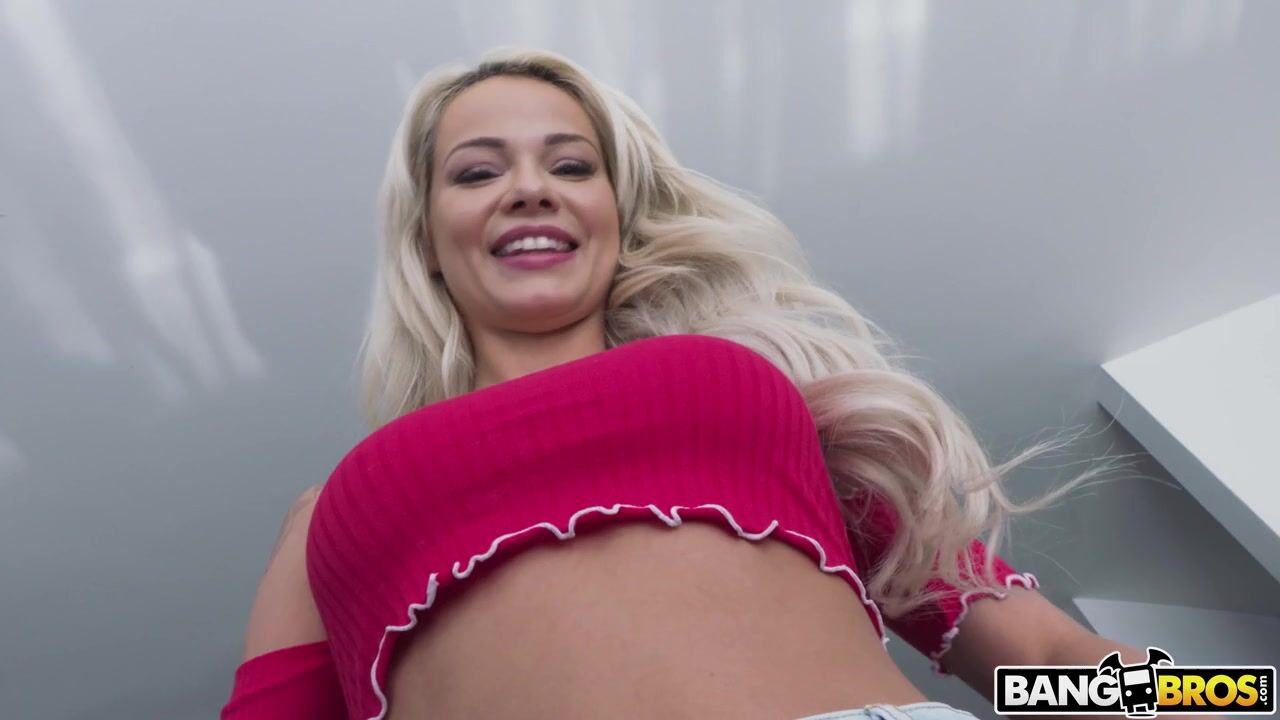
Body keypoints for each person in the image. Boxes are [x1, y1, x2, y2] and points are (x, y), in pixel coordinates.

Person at [221, 46, 1168, 720]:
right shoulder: (326, 517)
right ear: (427, 241)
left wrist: (1221, 696)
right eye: (475, 173)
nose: (530, 187)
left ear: (615, 214)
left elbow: (1039, 654)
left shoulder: (771, 405)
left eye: (571, 165)